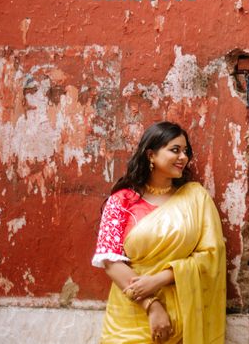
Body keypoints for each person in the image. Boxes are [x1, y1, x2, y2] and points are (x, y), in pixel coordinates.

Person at [93, 121, 226, 343]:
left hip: (182, 312)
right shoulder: (121, 200)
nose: (183, 157)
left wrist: (159, 279)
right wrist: (151, 305)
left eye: (186, 151)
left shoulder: (195, 197)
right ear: (151, 155)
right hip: (129, 314)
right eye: (175, 150)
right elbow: (109, 260)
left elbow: (211, 255)